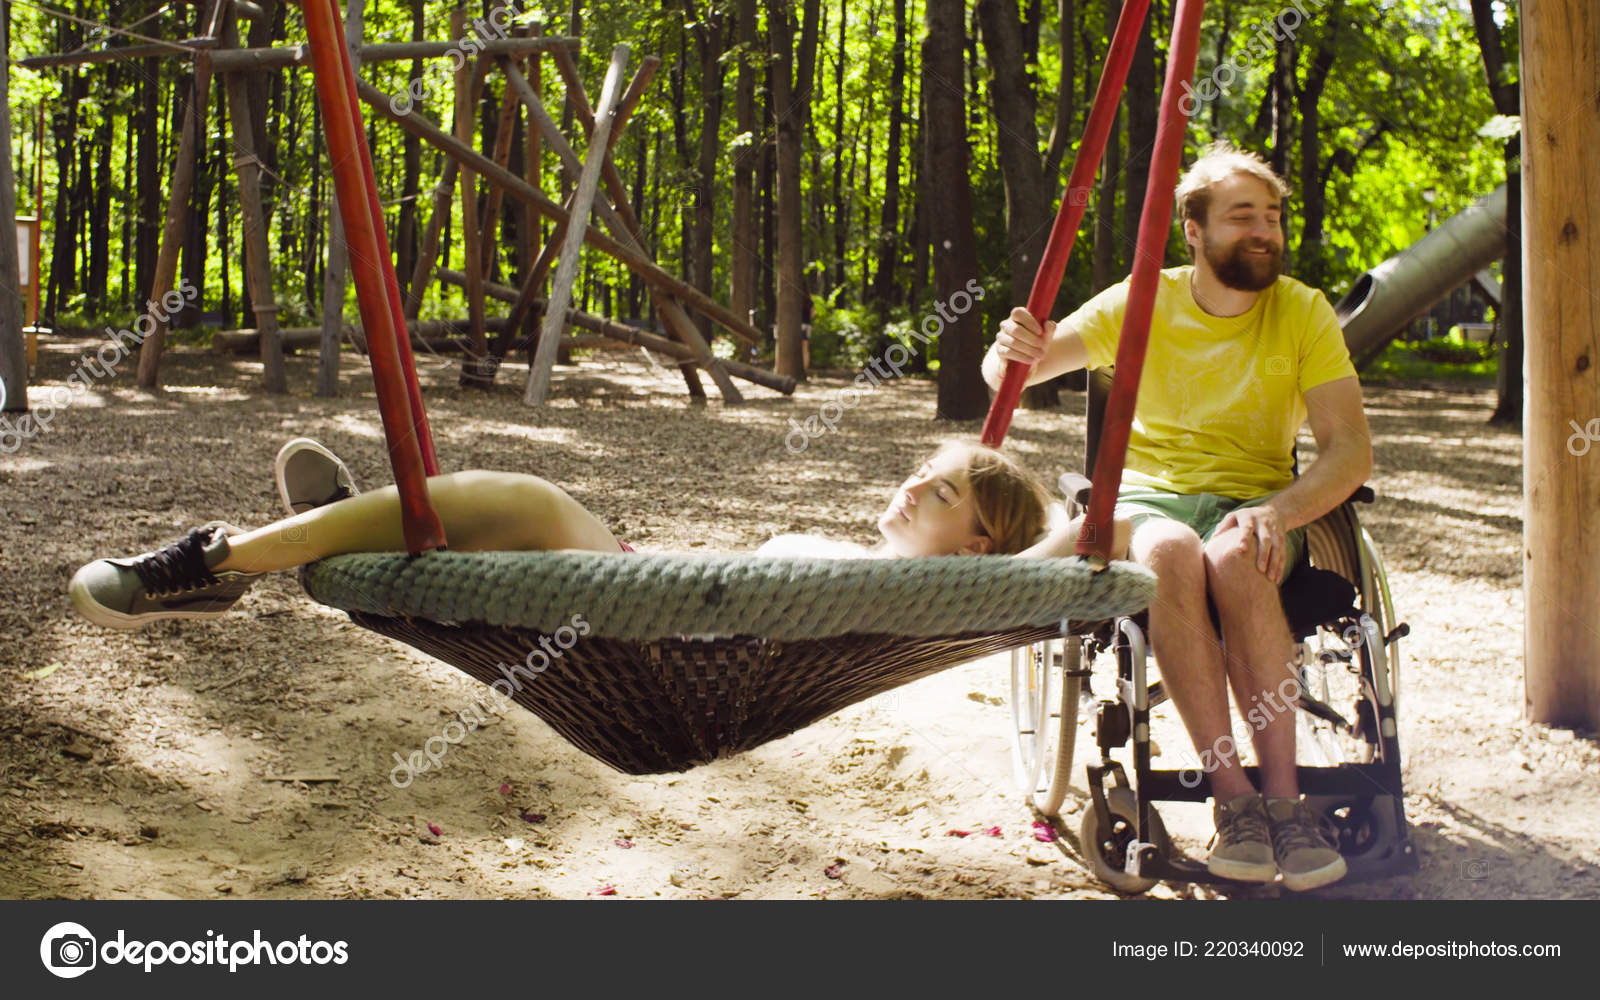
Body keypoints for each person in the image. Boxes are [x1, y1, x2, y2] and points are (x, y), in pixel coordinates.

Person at [981, 141, 1373, 892]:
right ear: (1192, 230)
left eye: (1272, 216)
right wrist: (1009, 352)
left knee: (1233, 550)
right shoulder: (1142, 299)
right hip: (1148, 501)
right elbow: (1015, 372)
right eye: (1241, 216)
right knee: (1167, 546)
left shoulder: (1303, 312)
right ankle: (1237, 804)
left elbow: (1350, 452)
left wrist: (1278, 511)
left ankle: (1285, 807)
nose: (1264, 230)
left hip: (1252, 501)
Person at [69, 438, 1053, 630]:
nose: (914, 482)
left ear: (977, 546)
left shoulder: (934, 596)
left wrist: (1101, 521)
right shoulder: (897, 575)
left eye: (944, 491)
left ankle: (219, 557)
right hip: (644, 599)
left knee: (528, 501)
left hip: (651, 627)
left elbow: (1041, 573)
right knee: (500, 511)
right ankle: (319, 536)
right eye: (923, 471)